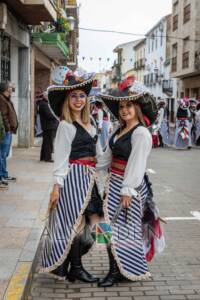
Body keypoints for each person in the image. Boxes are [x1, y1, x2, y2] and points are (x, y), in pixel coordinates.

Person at [96, 81, 164, 287]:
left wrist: (127, 190)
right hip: (113, 184)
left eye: (129, 106)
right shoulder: (119, 130)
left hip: (128, 188)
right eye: (122, 106)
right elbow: (106, 158)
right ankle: (118, 268)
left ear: (137, 108)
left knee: (123, 230)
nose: (125, 110)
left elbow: (137, 165)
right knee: (106, 230)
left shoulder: (141, 133)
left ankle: (119, 271)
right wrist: (89, 166)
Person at [40, 66, 103, 283]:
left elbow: (100, 154)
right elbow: (60, 159)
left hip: (90, 178)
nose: (78, 99)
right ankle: (75, 268)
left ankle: (71, 262)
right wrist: (56, 187)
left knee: (95, 222)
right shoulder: (66, 126)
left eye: (82, 95)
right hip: (73, 178)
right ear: (68, 99)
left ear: (87, 98)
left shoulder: (92, 123)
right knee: (75, 223)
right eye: (74, 95)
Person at [0, 81, 18, 188]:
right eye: (10, 87)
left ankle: (4, 175)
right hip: (5, 131)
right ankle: (1, 176)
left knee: (4, 154)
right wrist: (7, 129)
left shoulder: (6, 98)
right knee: (2, 155)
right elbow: (4, 116)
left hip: (8, 131)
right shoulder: (1, 99)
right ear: (5, 89)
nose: (12, 88)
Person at [38, 91, 59, 162]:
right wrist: (56, 116)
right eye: (48, 96)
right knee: (48, 143)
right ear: (45, 96)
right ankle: (48, 158)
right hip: (48, 126)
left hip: (49, 126)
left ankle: (43, 157)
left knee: (46, 142)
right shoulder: (43, 104)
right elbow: (49, 115)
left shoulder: (46, 103)